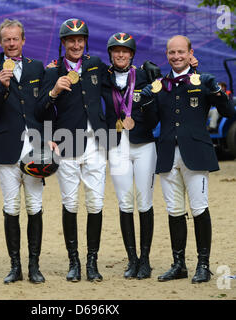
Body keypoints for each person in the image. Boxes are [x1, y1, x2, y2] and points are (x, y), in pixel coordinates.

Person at [141, 35, 235, 283]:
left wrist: (216, 91)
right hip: (167, 154)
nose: (176, 56)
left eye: (181, 52)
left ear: (190, 52)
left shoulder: (202, 81)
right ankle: (179, 264)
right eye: (172, 52)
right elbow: (151, 122)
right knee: (174, 211)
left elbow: (228, 111)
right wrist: (148, 100)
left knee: (199, 208)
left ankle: (203, 264)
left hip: (195, 154)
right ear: (167, 55)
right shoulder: (160, 86)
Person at [35, 18, 109, 282]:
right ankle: (74, 262)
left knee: (96, 203)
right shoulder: (52, 70)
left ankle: (92, 262)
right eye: (71, 40)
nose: (76, 44)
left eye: (80, 40)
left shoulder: (96, 64)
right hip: (67, 142)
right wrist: (54, 92)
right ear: (63, 43)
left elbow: (118, 85)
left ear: (84, 41)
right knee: (70, 203)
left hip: (97, 142)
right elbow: (39, 109)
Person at [0, 19, 49, 284]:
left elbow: (44, 108)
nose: (11, 43)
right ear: (0, 42)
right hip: (7, 146)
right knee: (11, 207)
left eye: (15, 39)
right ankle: (15, 267)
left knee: (34, 206)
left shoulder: (36, 67)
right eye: (6, 40)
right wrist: (3, 86)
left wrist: (50, 139)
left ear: (23, 40)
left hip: (35, 148)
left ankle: (34, 266)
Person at [103, 33, 159, 280]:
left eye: (125, 51)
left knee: (144, 201)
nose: (121, 54)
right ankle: (132, 260)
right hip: (116, 145)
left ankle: (145, 260)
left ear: (132, 54)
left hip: (144, 143)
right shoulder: (101, 77)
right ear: (111, 54)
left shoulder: (146, 75)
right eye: (116, 50)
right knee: (125, 202)